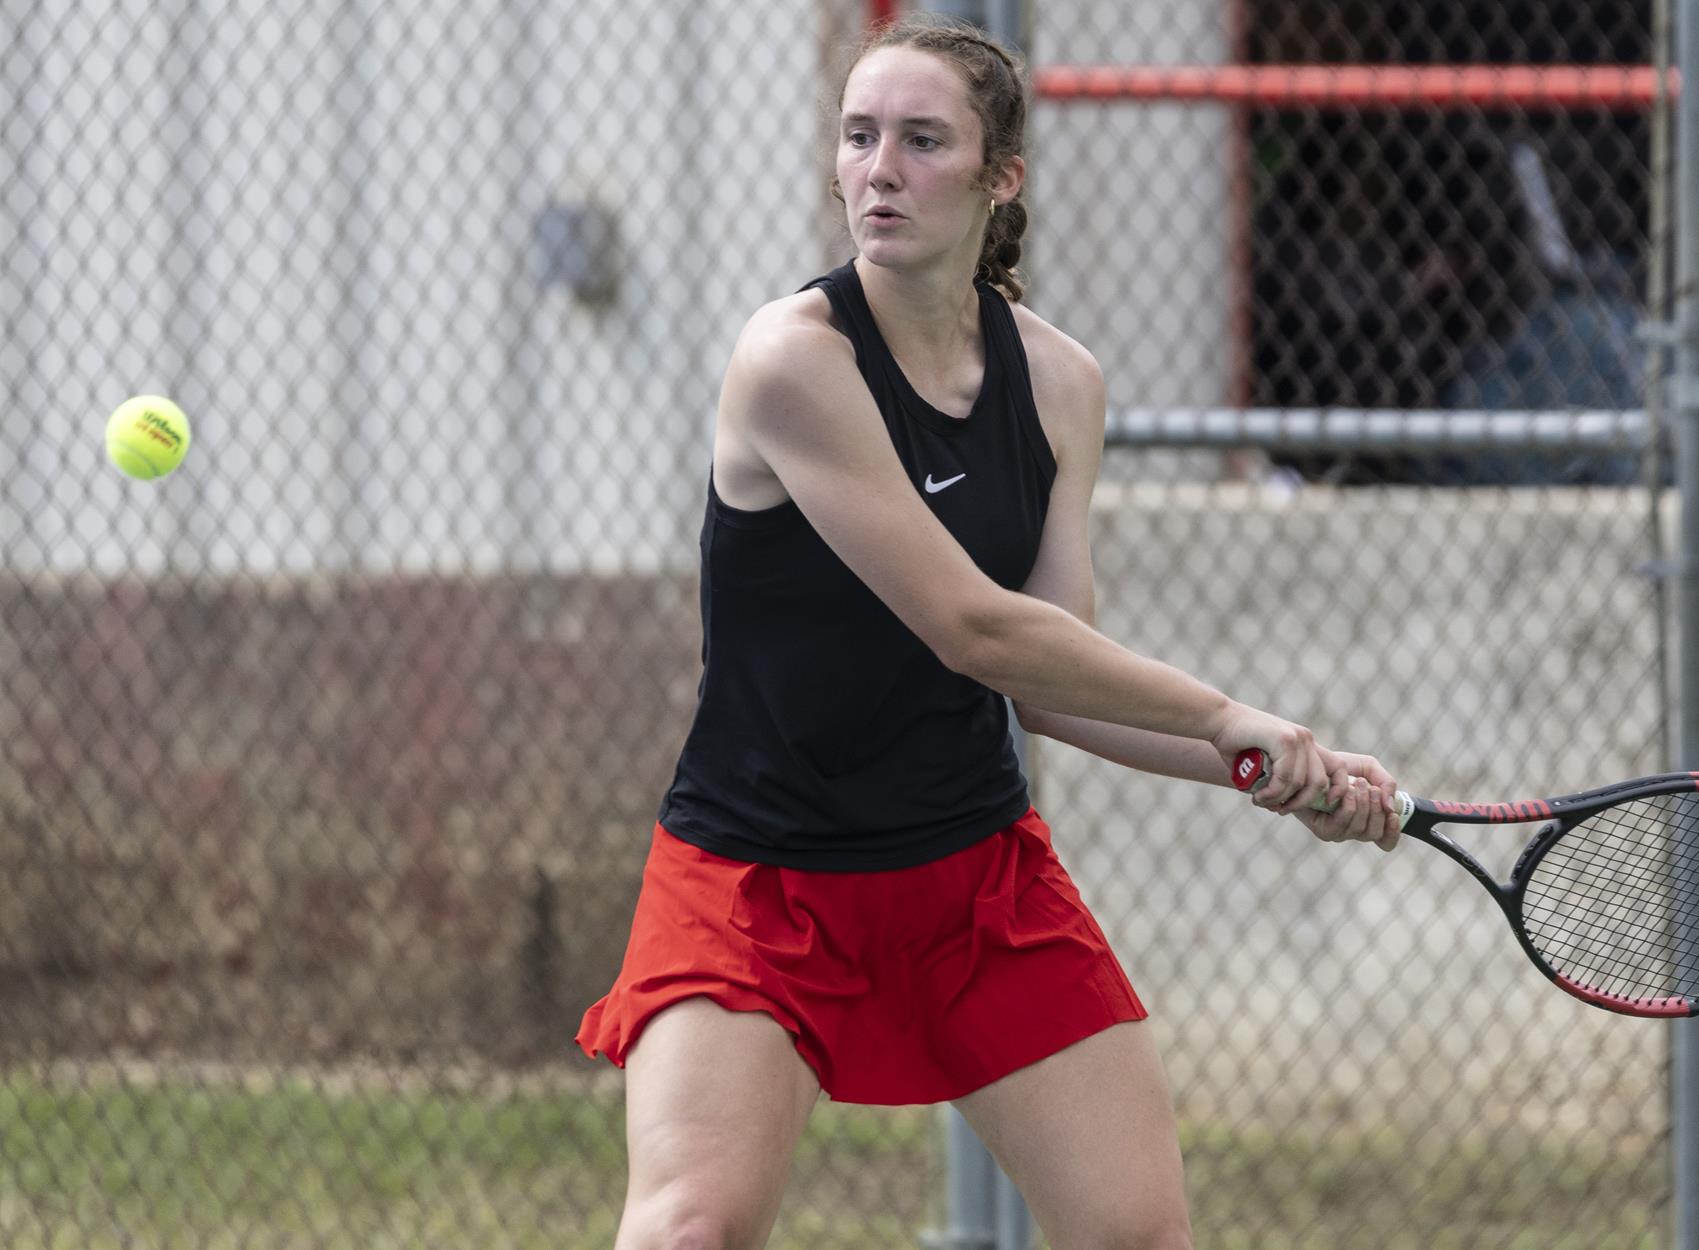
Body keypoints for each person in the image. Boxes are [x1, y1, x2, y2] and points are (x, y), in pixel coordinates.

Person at [575, 15, 1402, 1249]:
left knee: (1136, 1234)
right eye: (859, 137)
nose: (878, 169)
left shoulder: (1059, 382)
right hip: (760, 879)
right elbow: (975, 628)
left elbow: (1056, 684)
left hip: (973, 882)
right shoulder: (791, 361)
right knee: (693, 1225)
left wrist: (1270, 768)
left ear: (997, 177)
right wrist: (1228, 714)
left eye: (920, 140)